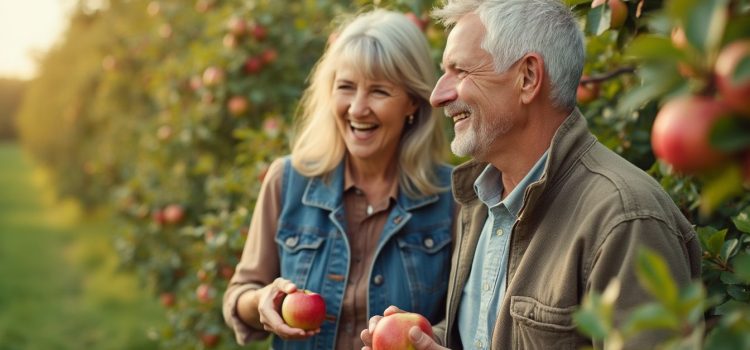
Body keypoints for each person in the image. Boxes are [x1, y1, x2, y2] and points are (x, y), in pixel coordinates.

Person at [361, 0, 702, 349]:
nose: (437, 95)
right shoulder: (483, 198)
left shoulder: (625, 219)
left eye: (460, 71)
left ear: (528, 77)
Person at [222, 9, 456, 350]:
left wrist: (423, 338)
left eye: (379, 91)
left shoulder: (453, 197)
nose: (357, 108)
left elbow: (468, 318)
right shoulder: (287, 182)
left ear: (413, 103)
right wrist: (261, 301)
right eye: (345, 87)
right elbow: (241, 292)